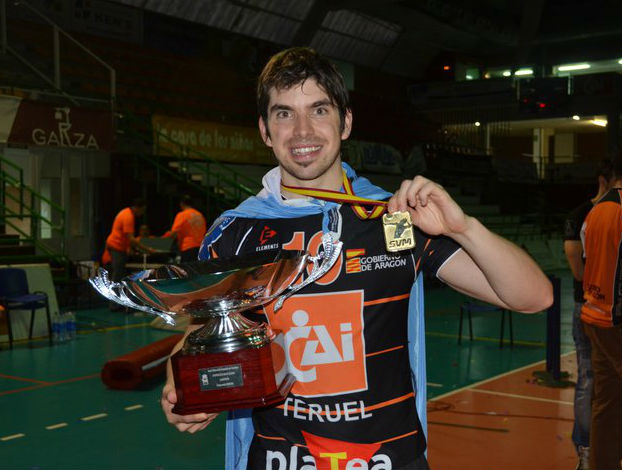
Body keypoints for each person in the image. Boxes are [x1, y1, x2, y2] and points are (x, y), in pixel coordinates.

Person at [160, 47, 553, 470]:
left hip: (387, 460)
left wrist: (463, 229)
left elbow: (534, 297)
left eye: (319, 110)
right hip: (280, 459)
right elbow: (199, 335)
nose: (302, 131)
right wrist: (179, 386)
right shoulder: (236, 232)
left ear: (345, 122)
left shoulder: (395, 218)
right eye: (284, 114)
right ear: (265, 130)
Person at [580, 146, 622, 470]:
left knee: (608, 405)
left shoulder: (596, 209)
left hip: (595, 317)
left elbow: (586, 258)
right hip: (620, 322)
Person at [563, 159, 614, 469]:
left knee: (605, 383)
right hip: (589, 307)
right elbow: (576, 265)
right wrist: (600, 281)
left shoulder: (618, 212)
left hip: (614, 310)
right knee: (589, 377)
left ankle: (602, 449)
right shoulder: (582, 214)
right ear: (604, 180)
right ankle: (585, 448)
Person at [104, 198, 155, 284]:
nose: (142, 213)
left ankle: (117, 289)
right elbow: (131, 239)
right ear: (138, 208)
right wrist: (148, 249)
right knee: (118, 273)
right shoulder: (128, 217)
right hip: (116, 246)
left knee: (119, 272)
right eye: (143, 210)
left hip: (118, 247)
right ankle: (114, 291)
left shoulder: (126, 212)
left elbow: (127, 237)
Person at [162, 195, 207, 262]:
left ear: (182, 203)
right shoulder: (200, 215)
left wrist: (164, 237)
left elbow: (173, 233)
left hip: (188, 247)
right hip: (201, 247)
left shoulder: (182, 215)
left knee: (187, 268)